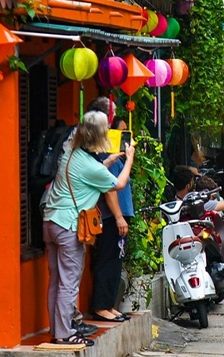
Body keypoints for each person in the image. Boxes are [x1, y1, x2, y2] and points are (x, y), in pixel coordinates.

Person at [43, 111, 134, 346]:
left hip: (51, 222)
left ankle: (57, 328)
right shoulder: (89, 165)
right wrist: (130, 158)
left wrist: (109, 161)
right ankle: (64, 335)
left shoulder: (70, 153)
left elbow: (88, 173)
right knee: (68, 282)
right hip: (68, 226)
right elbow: (119, 183)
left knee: (56, 280)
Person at [89, 117, 134, 323]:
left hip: (118, 216)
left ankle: (108, 305)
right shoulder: (108, 156)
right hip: (111, 217)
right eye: (121, 132)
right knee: (108, 260)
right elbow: (110, 189)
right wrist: (118, 217)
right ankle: (101, 306)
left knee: (116, 261)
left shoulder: (115, 157)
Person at [173, 167, 224, 263]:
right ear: (189, 186)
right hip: (194, 237)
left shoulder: (173, 203)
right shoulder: (197, 202)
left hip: (182, 236)